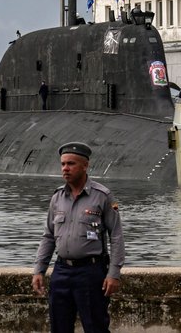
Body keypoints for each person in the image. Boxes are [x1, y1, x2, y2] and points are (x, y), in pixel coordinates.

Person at [32, 142, 125, 333]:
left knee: (96, 327)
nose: (65, 169)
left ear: (85, 166)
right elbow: (48, 236)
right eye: (63, 164)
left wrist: (113, 274)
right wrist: (39, 270)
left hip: (90, 272)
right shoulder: (57, 197)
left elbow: (116, 236)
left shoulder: (103, 196)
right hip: (61, 271)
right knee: (59, 328)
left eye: (71, 164)